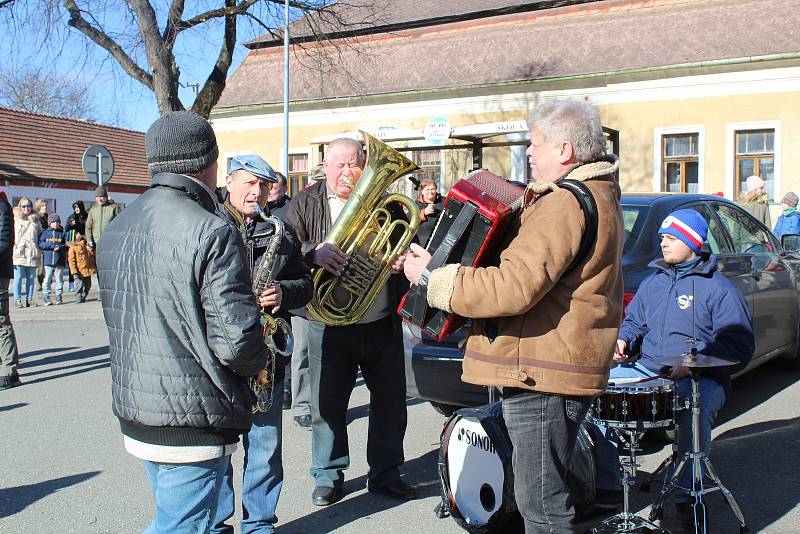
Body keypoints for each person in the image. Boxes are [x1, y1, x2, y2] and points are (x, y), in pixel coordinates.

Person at [404, 99, 624, 533]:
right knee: (543, 497)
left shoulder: (564, 203)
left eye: (535, 143)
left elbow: (512, 287)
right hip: (550, 367)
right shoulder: (598, 192)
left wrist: (434, 279)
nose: (528, 152)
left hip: (542, 373)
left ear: (564, 150)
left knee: (541, 504)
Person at [97, 111, 269, 533]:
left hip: (139, 407)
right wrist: (261, 360)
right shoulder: (211, 230)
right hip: (193, 418)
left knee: (187, 521)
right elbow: (236, 342)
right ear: (209, 164)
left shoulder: (118, 225)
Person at [594, 208, 754, 530]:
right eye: (662, 237)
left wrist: (693, 364)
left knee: (694, 410)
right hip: (647, 368)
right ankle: (609, 486)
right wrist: (624, 340)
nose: (663, 243)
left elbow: (740, 345)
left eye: (670, 237)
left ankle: (687, 495)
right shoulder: (654, 282)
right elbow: (635, 321)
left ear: (691, 242)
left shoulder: (719, 289)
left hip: (701, 377)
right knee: (594, 393)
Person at [285, 137, 416, 506]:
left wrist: (401, 261)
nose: (346, 172)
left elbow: (413, 248)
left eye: (354, 163)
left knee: (391, 403)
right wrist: (314, 253)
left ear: (364, 163)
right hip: (329, 324)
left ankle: (386, 473)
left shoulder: (389, 204)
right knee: (327, 404)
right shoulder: (305, 203)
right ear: (324, 167)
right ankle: (328, 475)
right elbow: (283, 251)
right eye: (338, 164)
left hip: (380, 323)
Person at [212, 154, 312, 534]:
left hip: (268, 355)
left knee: (266, 446)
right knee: (219, 451)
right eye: (248, 184)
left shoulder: (280, 230)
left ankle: (259, 523)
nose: (256, 193)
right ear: (230, 183)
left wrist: (282, 293)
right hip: (221, 355)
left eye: (263, 186)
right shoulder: (209, 223)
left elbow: (305, 284)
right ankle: (218, 523)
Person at [0, 191, 20, 390]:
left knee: (1, 321)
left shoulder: (3, 207)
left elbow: (4, 242)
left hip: (0, 272)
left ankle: (9, 371)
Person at [12, 197, 41, 308]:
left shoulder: (36, 220)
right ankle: (18, 299)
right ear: (20, 207)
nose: (26, 208)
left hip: (32, 253)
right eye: (24, 206)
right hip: (19, 252)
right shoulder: (15, 219)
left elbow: (40, 235)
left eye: (29, 206)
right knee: (18, 277)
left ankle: (29, 299)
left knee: (30, 278)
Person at [38, 213, 67, 306]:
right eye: (53, 222)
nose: (55, 224)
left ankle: (59, 296)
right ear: (49, 223)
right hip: (48, 261)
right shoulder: (45, 233)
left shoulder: (62, 234)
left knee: (59, 279)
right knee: (47, 278)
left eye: (57, 222)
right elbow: (41, 244)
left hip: (59, 261)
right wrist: (51, 246)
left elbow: (66, 246)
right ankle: (46, 296)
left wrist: (60, 247)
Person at [65, 200, 88, 292]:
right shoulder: (71, 217)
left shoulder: (86, 216)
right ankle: (72, 284)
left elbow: (88, 227)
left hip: (84, 242)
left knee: (83, 263)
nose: (77, 209)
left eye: (78, 207)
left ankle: (84, 283)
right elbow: (66, 229)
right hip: (73, 243)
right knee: (72, 263)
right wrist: (71, 225)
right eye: (75, 208)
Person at [414, 179, 444, 248]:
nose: (430, 192)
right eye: (427, 189)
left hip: (440, 243)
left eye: (433, 189)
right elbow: (409, 219)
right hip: (422, 244)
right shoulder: (415, 205)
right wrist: (423, 213)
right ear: (422, 191)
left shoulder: (444, 201)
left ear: (436, 189)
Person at [67, 233, 95, 304]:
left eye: (79, 234)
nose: (79, 235)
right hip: (78, 270)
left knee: (88, 285)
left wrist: (91, 249)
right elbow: (71, 260)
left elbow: (93, 254)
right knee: (79, 284)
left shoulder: (86, 244)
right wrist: (74, 270)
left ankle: (84, 296)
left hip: (87, 269)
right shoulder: (73, 247)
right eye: (77, 234)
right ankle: (78, 297)